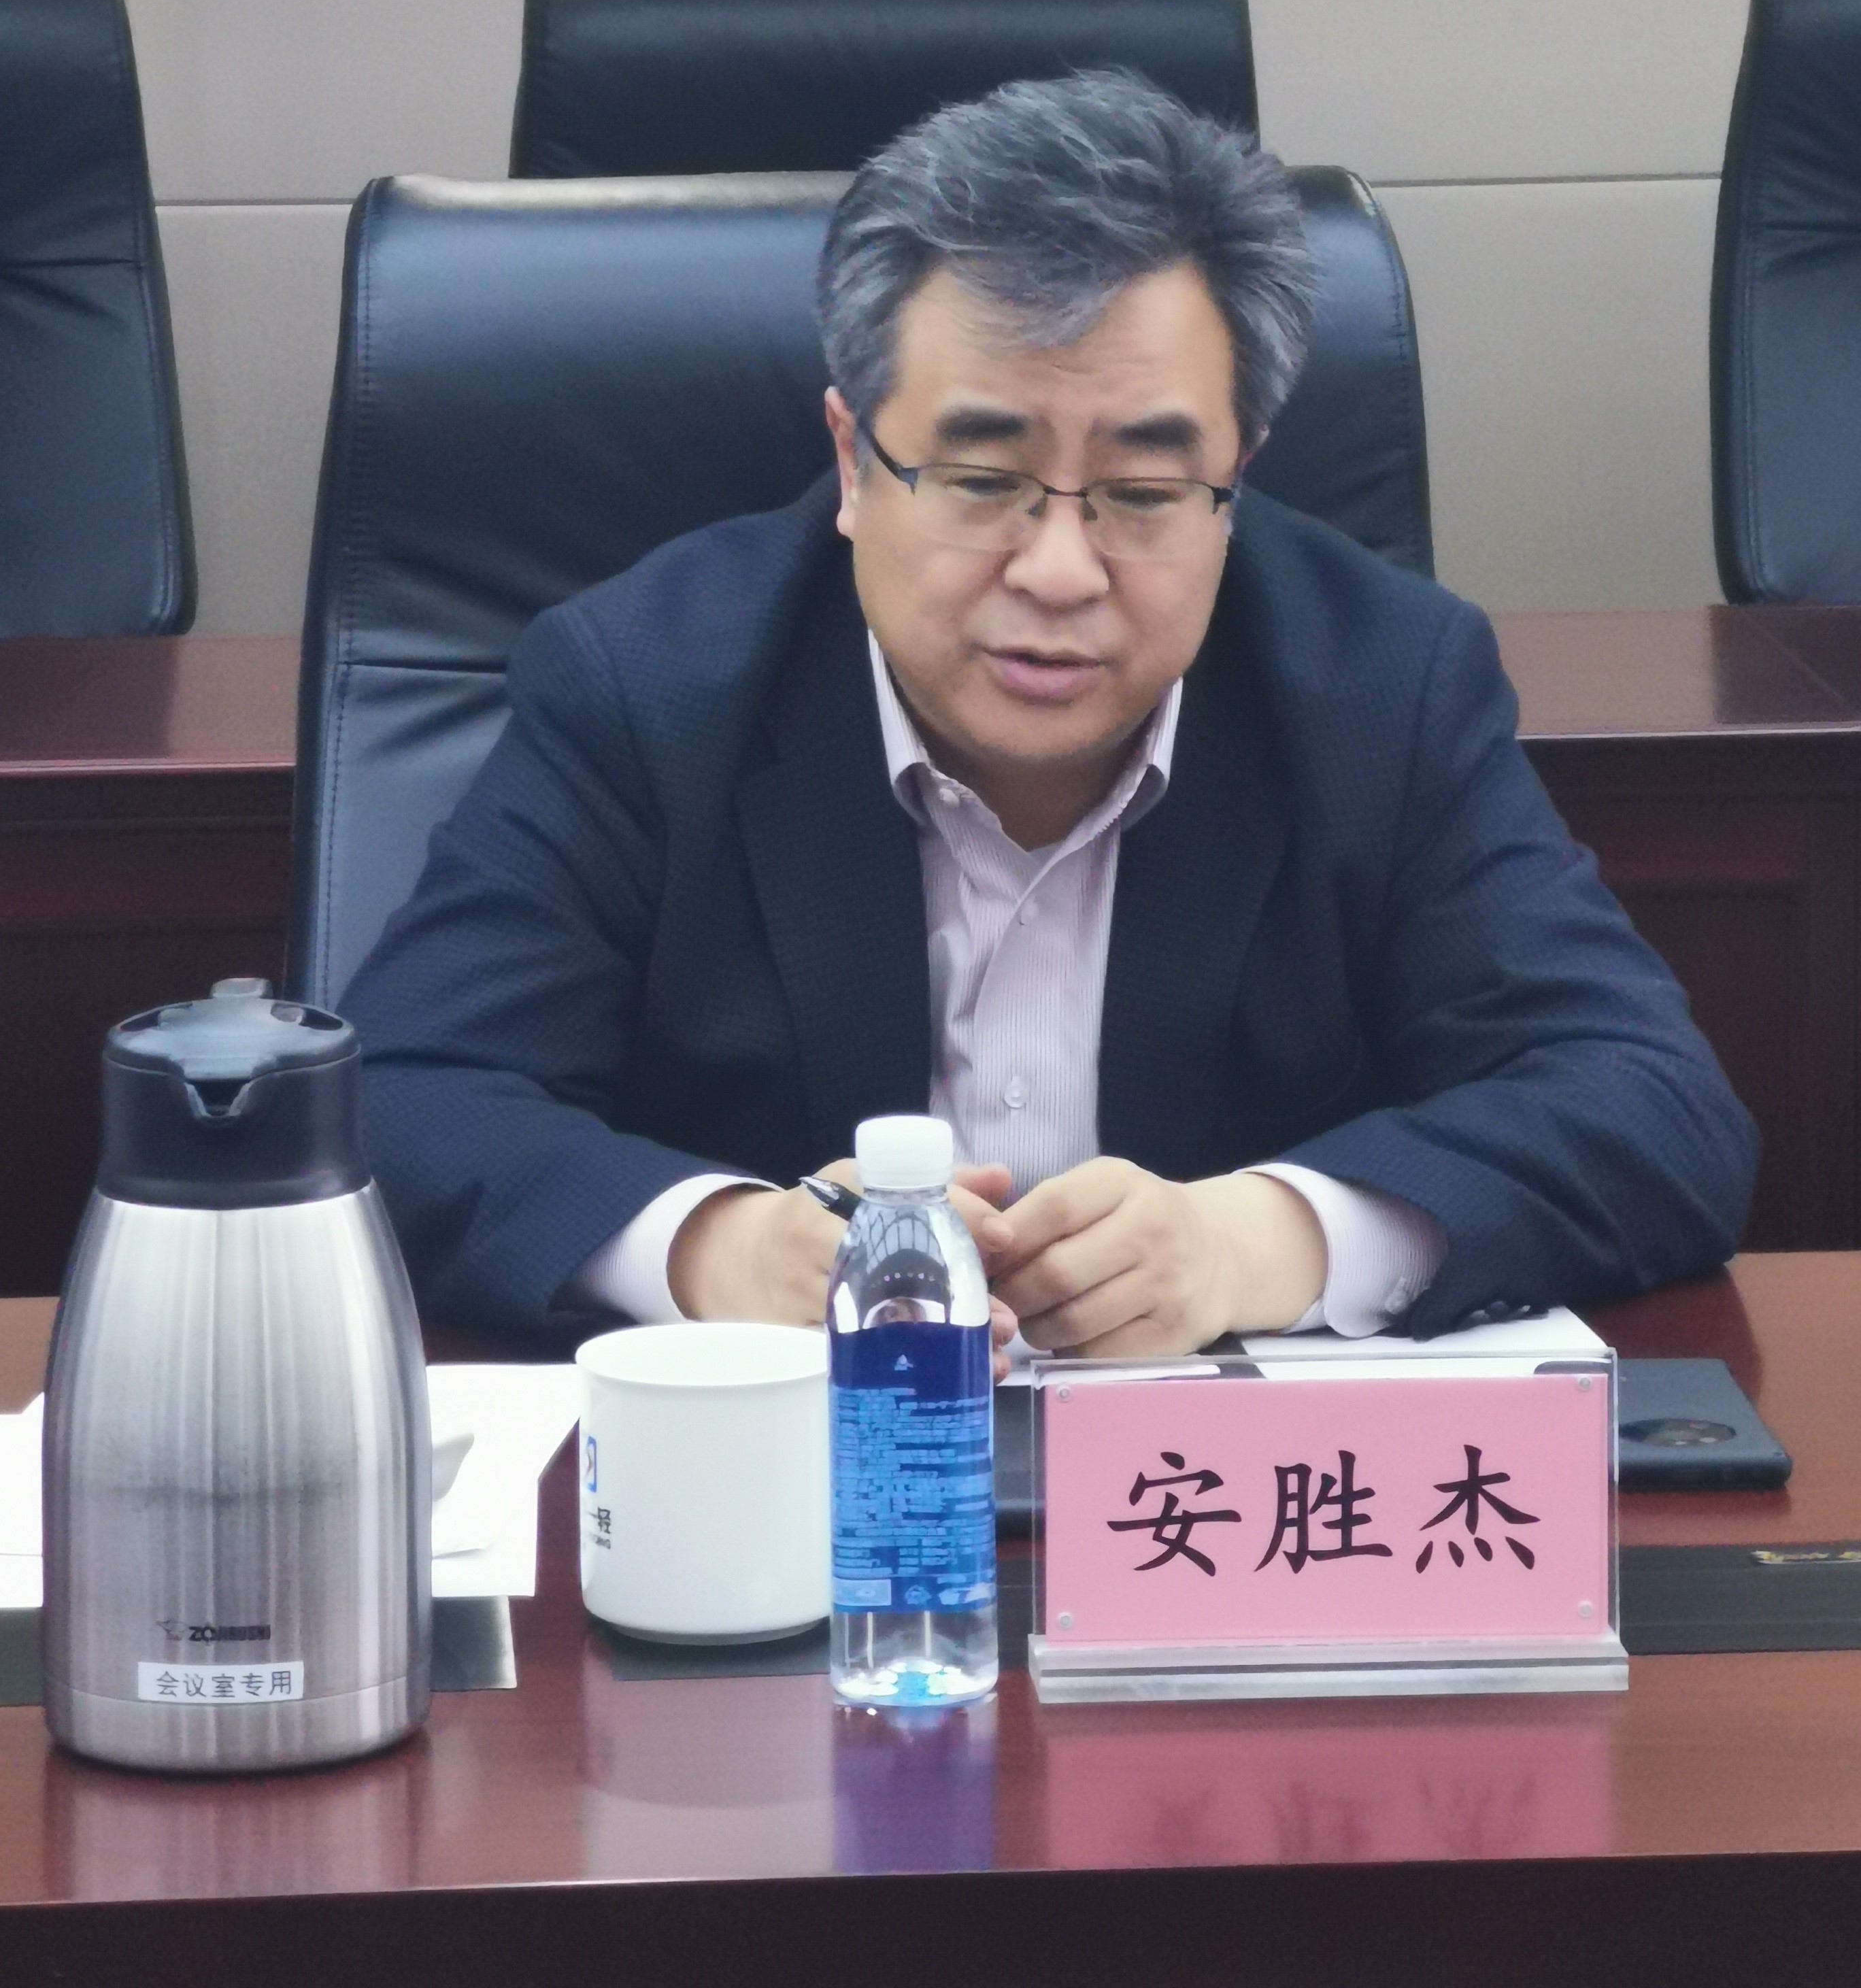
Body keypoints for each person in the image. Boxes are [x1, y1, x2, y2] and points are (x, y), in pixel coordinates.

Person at [346, 68, 1755, 1355]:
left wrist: (1260, 1241)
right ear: (853, 462)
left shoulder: (1383, 688)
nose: (1062, 570)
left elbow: (1653, 1107)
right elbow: (399, 1099)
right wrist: (724, 1251)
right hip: (798, 1503)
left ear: (1237, 481)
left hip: (1212, 1518)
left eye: (1144, 493)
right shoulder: (648, 689)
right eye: (982, 481)